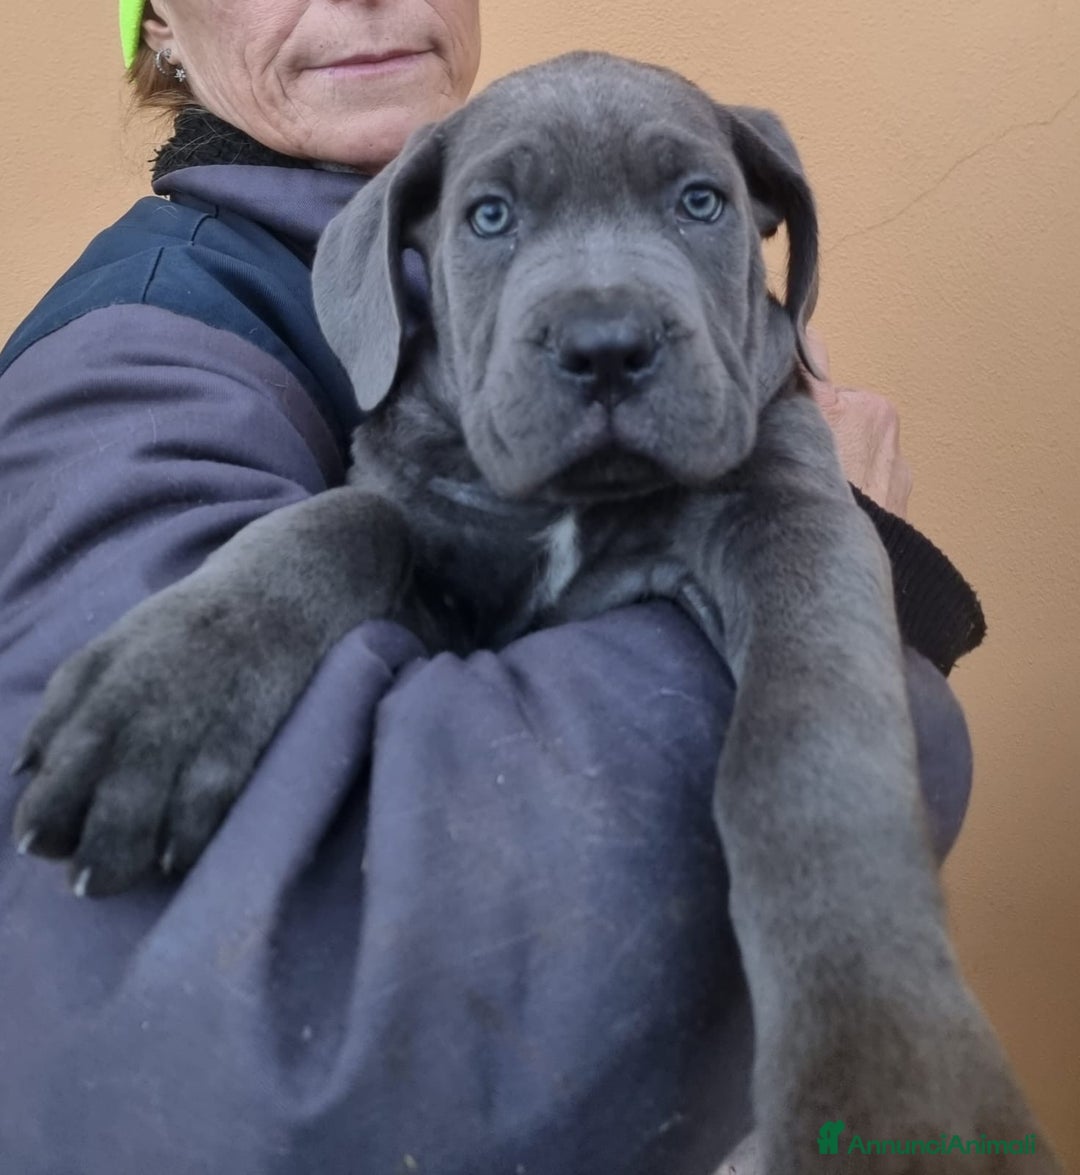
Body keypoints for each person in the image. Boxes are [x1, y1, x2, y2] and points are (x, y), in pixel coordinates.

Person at [0, 2, 985, 1172]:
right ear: (159, 21)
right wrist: (801, 587)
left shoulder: (408, 232)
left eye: (695, 204)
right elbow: (214, 1025)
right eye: (496, 218)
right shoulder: (146, 345)